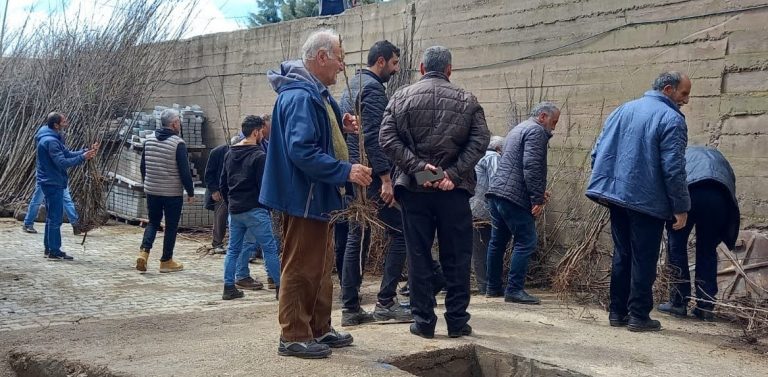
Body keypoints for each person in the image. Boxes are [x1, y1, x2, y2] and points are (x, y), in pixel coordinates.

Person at [261, 29, 372, 359]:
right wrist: (346, 170)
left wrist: (341, 122)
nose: (342, 65)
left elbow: (317, 133)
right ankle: (294, 333)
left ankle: (319, 327)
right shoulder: (301, 97)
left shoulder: (316, 95)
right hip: (303, 196)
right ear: (321, 57)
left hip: (317, 196)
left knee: (321, 266)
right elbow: (302, 150)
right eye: (339, 57)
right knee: (300, 266)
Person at [380, 45, 490, 339]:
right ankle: (457, 322)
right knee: (457, 256)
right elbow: (481, 141)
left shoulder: (400, 97)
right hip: (453, 192)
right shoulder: (468, 100)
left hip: (415, 189)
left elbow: (386, 139)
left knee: (418, 255)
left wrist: (421, 170)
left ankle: (424, 322)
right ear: (450, 70)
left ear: (421, 68)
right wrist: (450, 175)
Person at [586, 71, 692, 332]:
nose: (686, 100)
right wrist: (681, 206)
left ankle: (616, 312)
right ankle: (638, 316)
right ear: (668, 89)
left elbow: (597, 151)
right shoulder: (672, 119)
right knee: (644, 259)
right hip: (646, 200)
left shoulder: (623, 109)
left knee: (622, 254)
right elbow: (674, 168)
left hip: (616, 196)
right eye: (684, 93)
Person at [338, 40, 412, 326]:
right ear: (380, 61)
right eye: (394, 63)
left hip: (356, 176)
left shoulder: (351, 86)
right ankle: (385, 303)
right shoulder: (372, 89)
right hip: (370, 177)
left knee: (358, 237)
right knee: (401, 232)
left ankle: (351, 307)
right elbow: (373, 136)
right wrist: (385, 178)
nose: (395, 70)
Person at [485, 104, 558, 304]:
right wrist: (537, 198)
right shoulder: (536, 132)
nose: (554, 127)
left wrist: (537, 191)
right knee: (526, 241)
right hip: (514, 196)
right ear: (543, 116)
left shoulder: (518, 128)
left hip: (498, 192)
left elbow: (516, 164)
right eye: (554, 122)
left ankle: (492, 287)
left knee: (497, 242)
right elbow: (531, 165)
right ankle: (514, 290)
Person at [658, 146, 739, 321]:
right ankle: (705, 305)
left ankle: (678, 302)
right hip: (719, 197)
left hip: (690, 192)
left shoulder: (681, 155)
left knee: (676, 246)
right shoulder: (719, 158)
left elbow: (672, 179)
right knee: (707, 250)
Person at [219, 115, 281, 300]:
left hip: (235, 210)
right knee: (269, 248)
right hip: (255, 209)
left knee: (233, 250)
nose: (263, 135)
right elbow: (265, 186)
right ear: (256, 132)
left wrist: (230, 203)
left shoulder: (230, 153)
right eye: (262, 131)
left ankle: (229, 287)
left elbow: (223, 183)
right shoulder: (259, 156)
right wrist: (268, 207)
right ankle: (280, 288)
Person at [136, 108, 195, 274]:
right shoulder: (178, 143)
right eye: (179, 122)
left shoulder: (149, 140)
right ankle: (166, 260)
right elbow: (185, 172)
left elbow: (143, 166)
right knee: (171, 226)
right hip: (171, 193)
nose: (180, 124)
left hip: (152, 190)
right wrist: (190, 192)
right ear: (174, 123)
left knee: (153, 222)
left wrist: (147, 183)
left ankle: (144, 253)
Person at [35, 112, 98, 260]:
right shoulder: (51, 141)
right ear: (56, 125)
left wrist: (85, 152)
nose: (67, 122)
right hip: (52, 182)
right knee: (55, 218)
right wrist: (83, 158)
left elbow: (67, 153)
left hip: (50, 180)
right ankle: (54, 251)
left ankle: (49, 248)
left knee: (51, 217)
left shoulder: (51, 138)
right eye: (64, 121)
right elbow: (62, 162)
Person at [469, 135, 504, 295]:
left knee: (475, 248)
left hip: (469, 206)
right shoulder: (493, 157)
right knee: (484, 247)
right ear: (499, 149)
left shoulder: (477, 156)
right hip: (482, 210)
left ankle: (483, 284)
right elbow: (497, 183)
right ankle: (486, 285)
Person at [204, 142, 230, 254]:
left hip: (235, 191)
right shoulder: (217, 152)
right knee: (220, 217)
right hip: (220, 191)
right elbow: (209, 173)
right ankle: (217, 243)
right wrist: (214, 190)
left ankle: (233, 243)